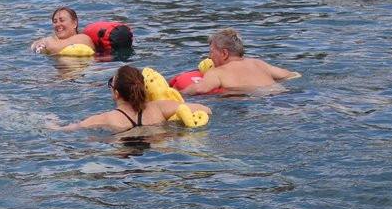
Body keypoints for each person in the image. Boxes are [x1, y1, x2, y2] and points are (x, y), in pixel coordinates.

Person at [52, 65, 212, 131]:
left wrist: (49, 121)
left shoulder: (107, 118)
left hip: (122, 162)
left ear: (116, 93)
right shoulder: (159, 107)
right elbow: (206, 110)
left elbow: (66, 131)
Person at [182, 28, 299, 95]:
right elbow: (291, 75)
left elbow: (200, 89)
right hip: (280, 94)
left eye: (212, 52)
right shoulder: (258, 63)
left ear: (224, 53)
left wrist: (178, 92)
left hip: (254, 101)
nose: (209, 56)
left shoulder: (217, 72)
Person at [30, 7, 95, 54]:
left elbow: (54, 48)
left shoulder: (83, 38)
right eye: (55, 22)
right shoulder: (55, 40)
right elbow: (34, 45)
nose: (58, 24)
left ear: (74, 23)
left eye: (62, 20)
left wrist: (47, 40)